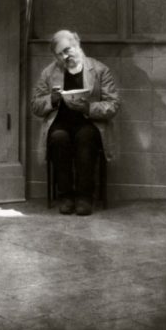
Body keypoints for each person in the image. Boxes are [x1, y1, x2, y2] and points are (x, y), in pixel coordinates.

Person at [31, 29, 120, 216]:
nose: (65, 56)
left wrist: (88, 108)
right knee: (59, 139)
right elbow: (35, 106)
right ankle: (65, 196)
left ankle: (84, 197)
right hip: (60, 123)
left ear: (77, 44)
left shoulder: (99, 70)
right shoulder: (49, 73)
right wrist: (52, 100)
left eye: (67, 50)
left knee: (85, 138)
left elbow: (113, 105)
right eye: (60, 54)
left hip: (90, 123)